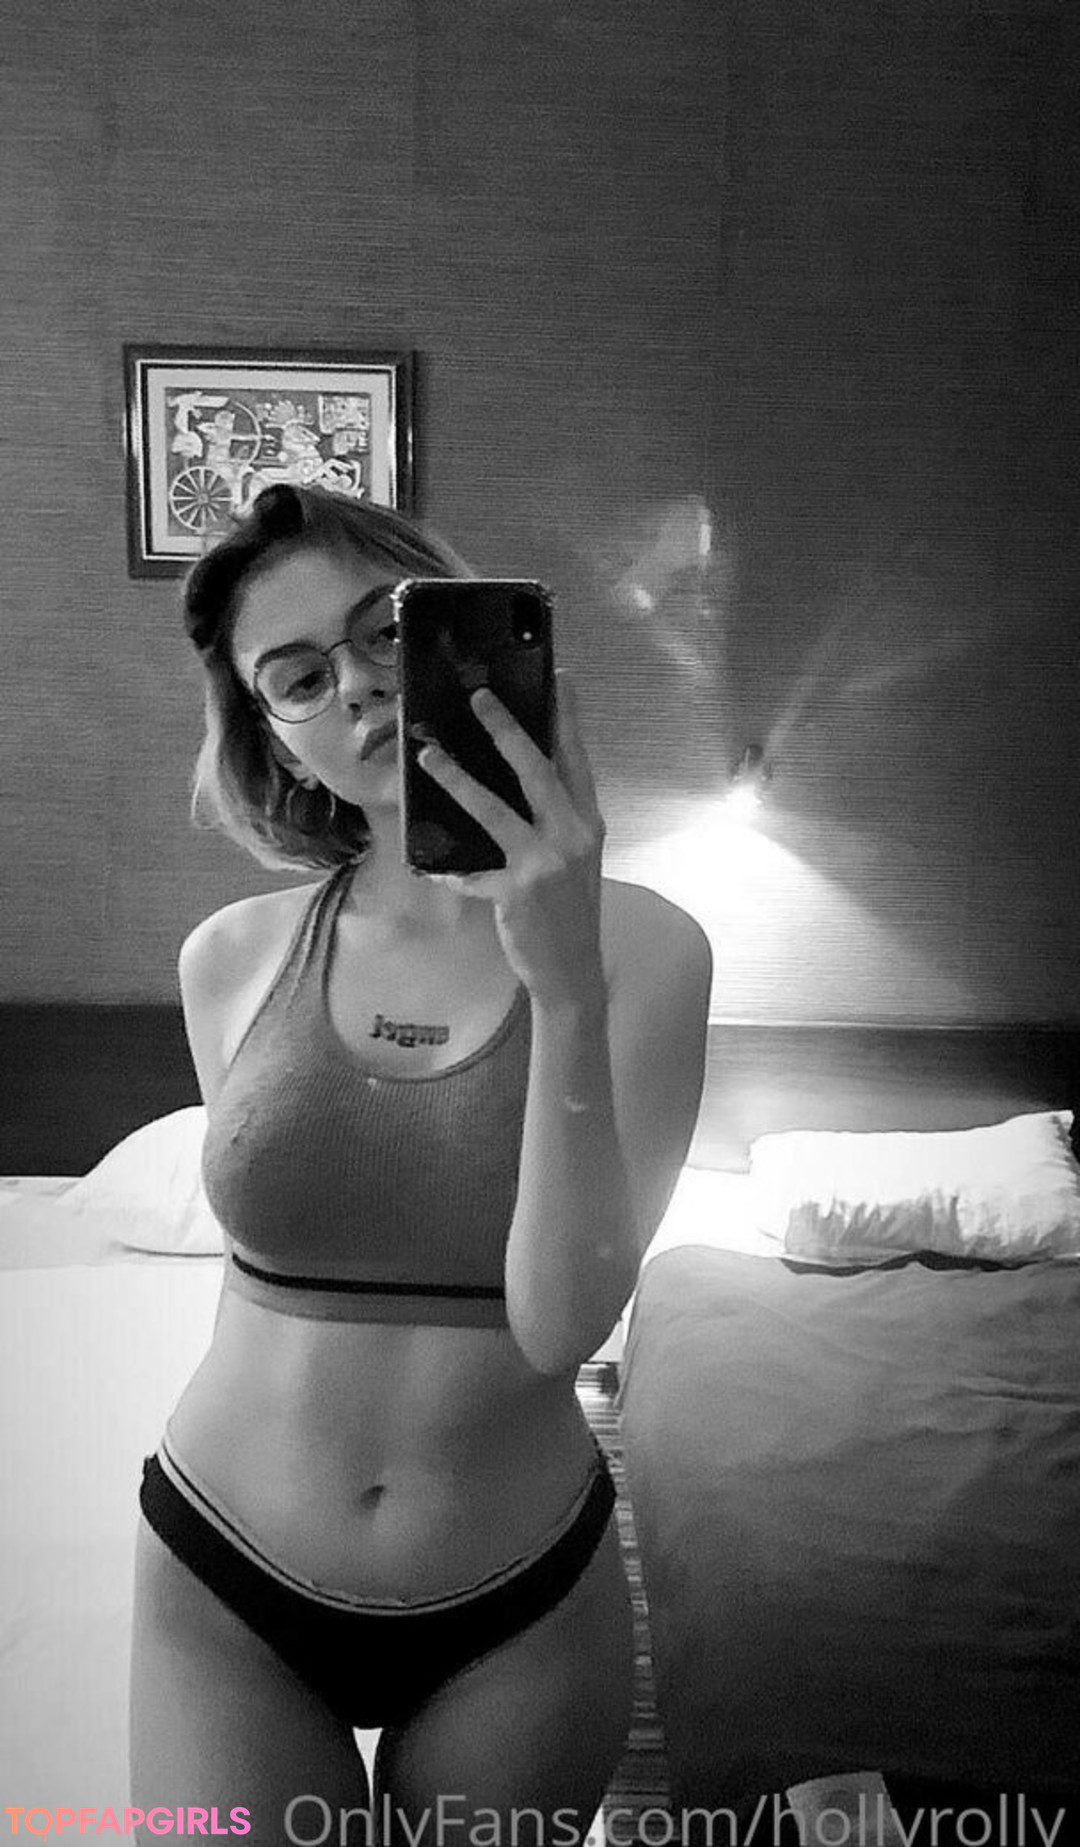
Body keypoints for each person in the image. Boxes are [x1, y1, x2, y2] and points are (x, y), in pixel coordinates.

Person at [129, 483, 711, 1845]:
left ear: (460, 637)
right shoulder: (229, 960)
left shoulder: (650, 950)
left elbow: (562, 1324)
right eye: (299, 678)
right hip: (224, 1573)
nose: (359, 689)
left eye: (386, 632)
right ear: (273, 737)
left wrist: (562, 984)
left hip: (517, 1601)